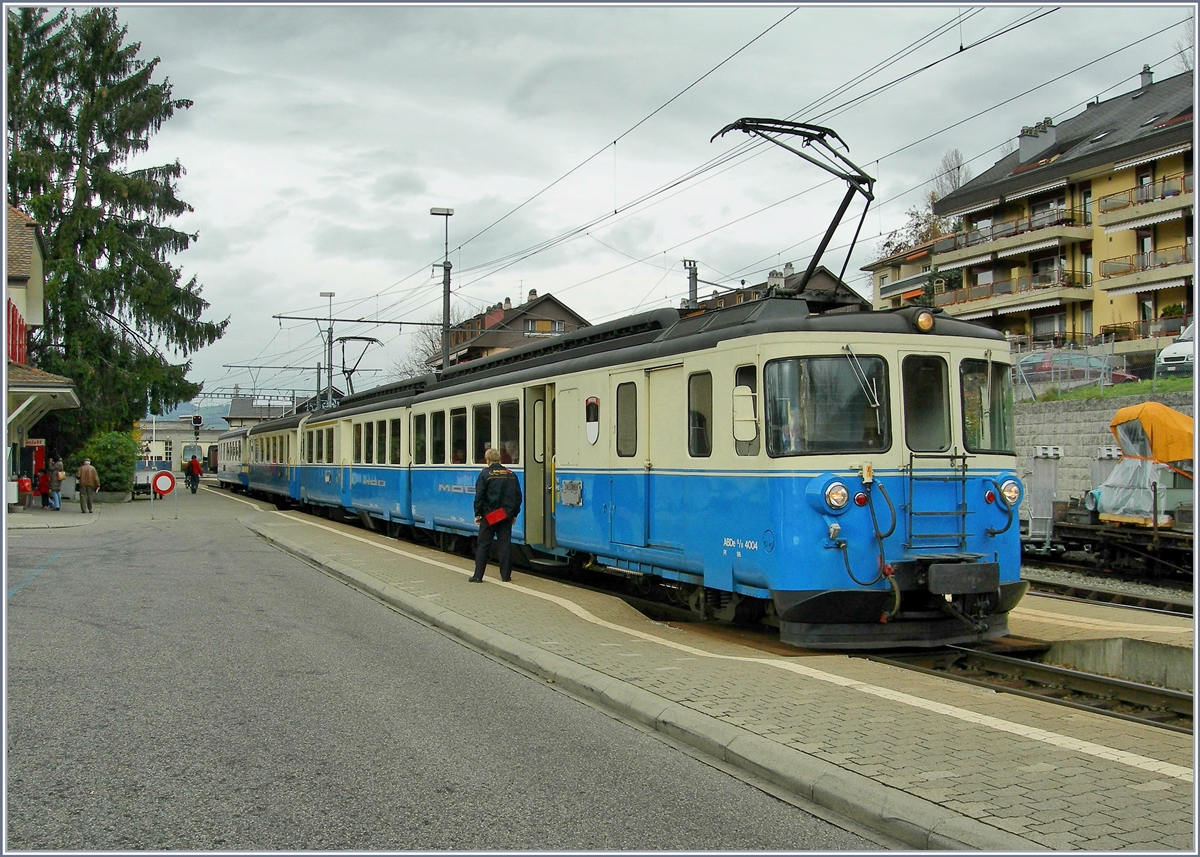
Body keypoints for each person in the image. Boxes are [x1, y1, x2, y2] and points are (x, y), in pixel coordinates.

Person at [470, 447, 522, 583]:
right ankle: (506, 576)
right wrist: (514, 514)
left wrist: (478, 514)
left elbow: (479, 496)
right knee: (505, 544)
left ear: (487, 461)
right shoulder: (510, 474)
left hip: (490, 515)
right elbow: (518, 497)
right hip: (506, 515)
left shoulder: (485, 474)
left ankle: (478, 576)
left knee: (483, 545)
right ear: (499, 459)